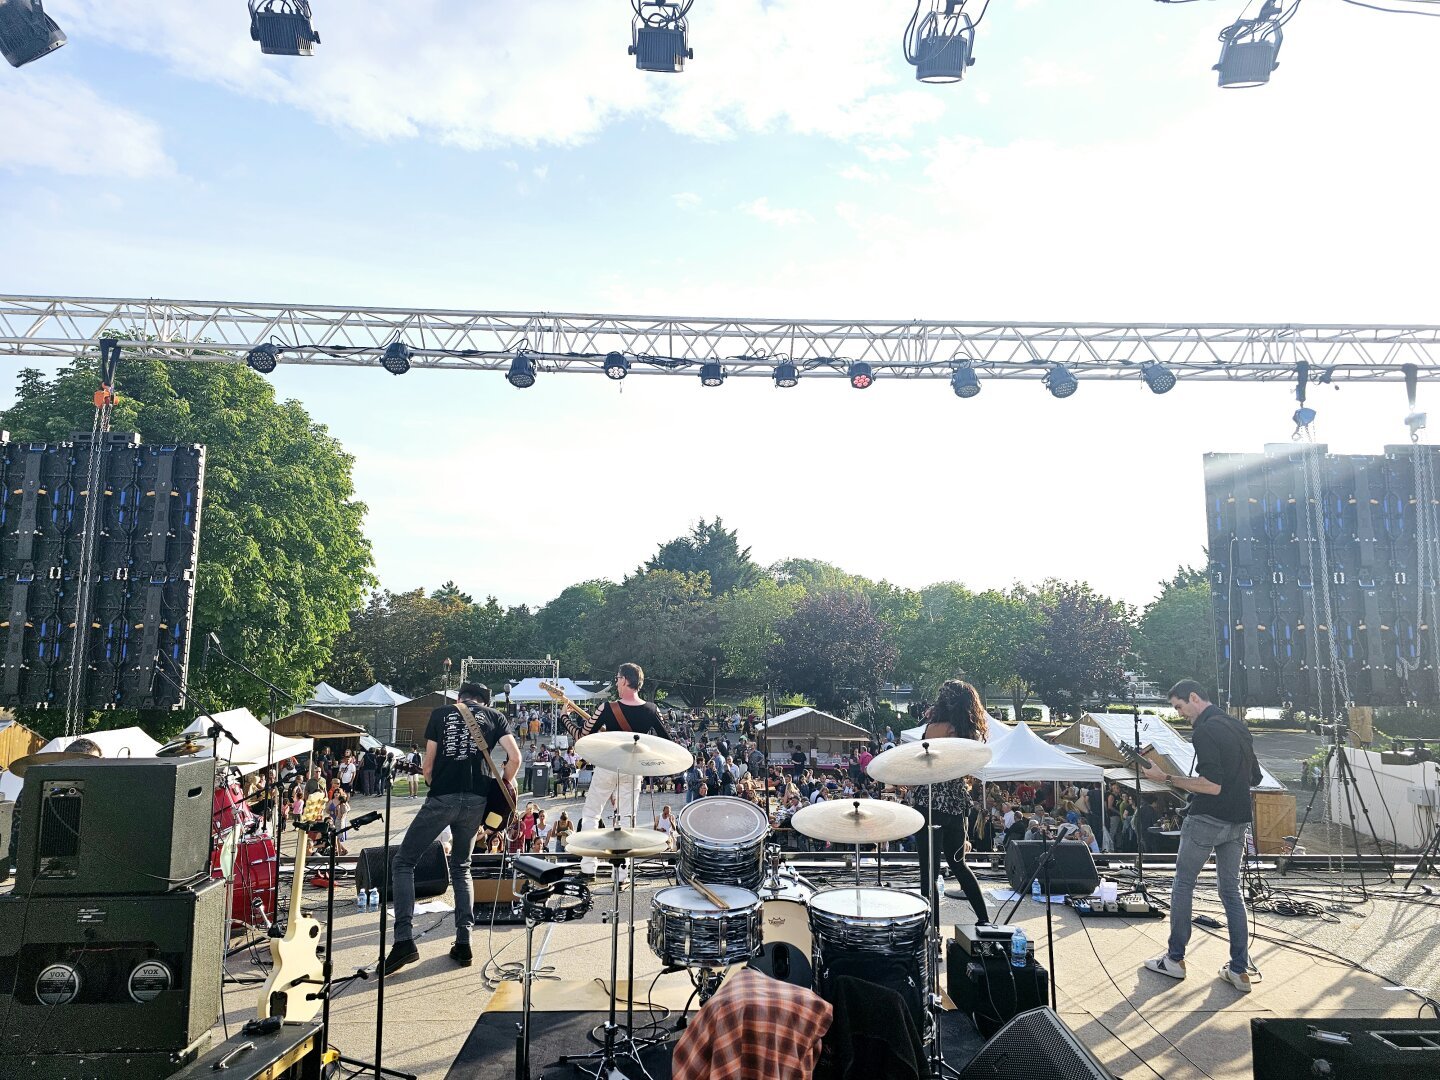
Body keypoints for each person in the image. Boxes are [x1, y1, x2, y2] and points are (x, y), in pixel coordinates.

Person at [384, 682, 518, 976]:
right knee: (462, 867)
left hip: (443, 795)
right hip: (476, 801)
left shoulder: (441, 713)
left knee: (404, 862)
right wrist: (502, 785)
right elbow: (515, 759)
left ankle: (404, 941)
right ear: (484, 701)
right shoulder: (495, 716)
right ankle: (464, 941)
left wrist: (439, 788)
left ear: (459, 699)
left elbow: (428, 767)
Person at [1140, 679, 1263, 993]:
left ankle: (1175, 960)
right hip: (1238, 821)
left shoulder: (1205, 731)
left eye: (1179, 707)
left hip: (1208, 818)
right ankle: (1239, 969)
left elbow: (1212, 785)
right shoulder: (1238, 726)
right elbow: (1255, 777)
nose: (1180, 714)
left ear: (1193, 697)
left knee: (1184, 883)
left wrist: (1164, 776)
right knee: (1231, 892)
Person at [562, 662, 673, 879]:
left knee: (592, 812)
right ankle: (622, 875)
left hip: (608, 766)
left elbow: (581, 737)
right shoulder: (652, 710)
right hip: (633, 769)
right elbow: (667, 741)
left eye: (617, 679)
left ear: (624, 680)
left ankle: (588, 867)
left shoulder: (607, 708)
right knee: (626, 819)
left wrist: (564, 717)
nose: (616, 683)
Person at [900, 679, 991, 925]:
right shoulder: (968, 732)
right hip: (956, 804)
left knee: (927, 872)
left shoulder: (934, 727)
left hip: (930, 800)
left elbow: (924, 762)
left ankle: (931, 932)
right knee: (959, 864)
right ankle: (984, 921)